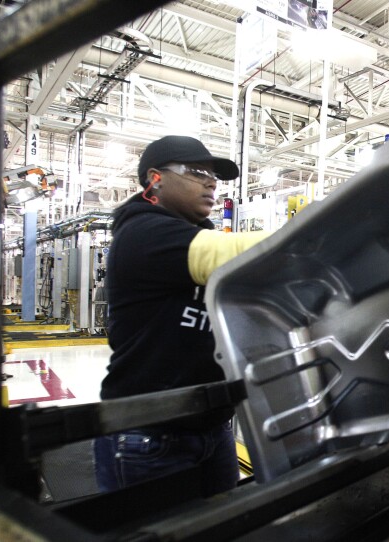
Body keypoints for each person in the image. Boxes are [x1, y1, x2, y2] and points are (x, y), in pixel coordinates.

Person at [93, 135, 270, 497]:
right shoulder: (143, 233)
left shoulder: (192, 234)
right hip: (150, 435)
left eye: (213, 175)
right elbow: (236, 255)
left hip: (211, 428)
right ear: (155, 178)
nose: (211, 182)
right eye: (196, 171)